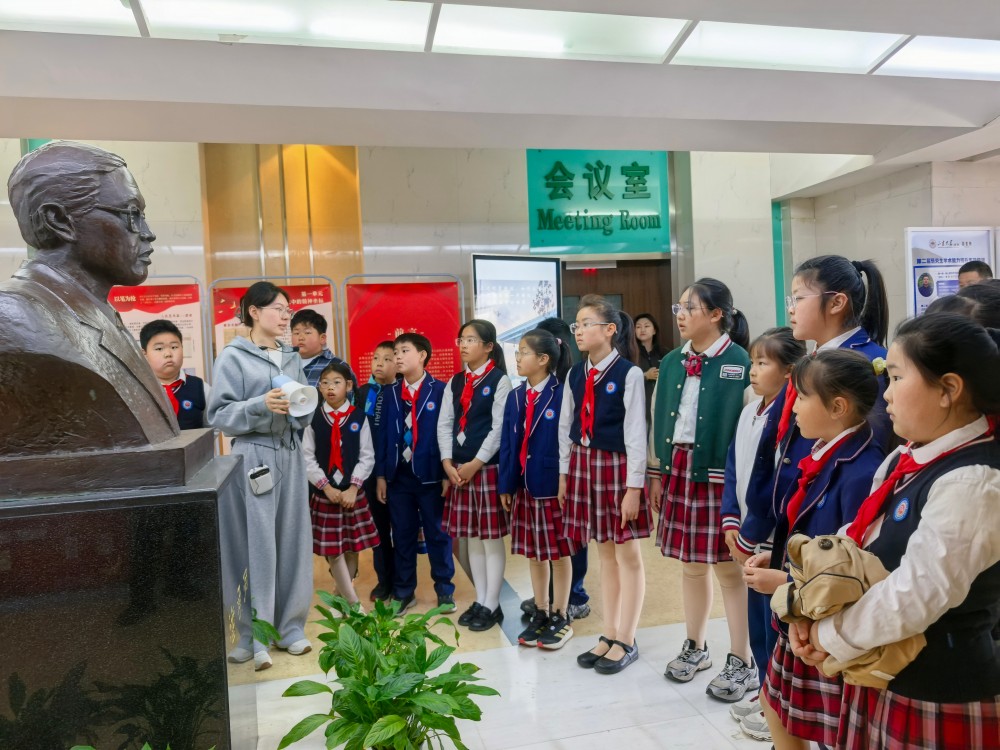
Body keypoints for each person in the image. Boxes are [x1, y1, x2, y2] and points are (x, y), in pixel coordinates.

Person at [792, 313, 1000, 750]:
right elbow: (858, 542)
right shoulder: (906, 458)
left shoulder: (974, 482)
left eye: (898, 377)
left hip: (940, 691)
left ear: (948, 389)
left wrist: (828, 636)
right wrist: (806, 610)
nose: (885, 393)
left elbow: (915, 594)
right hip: (883, 668)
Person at [736, 254, 891, 740]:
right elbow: (778, 448)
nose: (791, 308)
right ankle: (774, 703)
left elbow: (863, 466)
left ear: (836, 302)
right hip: (790, 530)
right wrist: (758, 527)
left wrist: (795, 573)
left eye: (799, 297)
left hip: (826, 547)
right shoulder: (812, 364)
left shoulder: (869, 364)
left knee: (825, 697)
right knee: (773, 644)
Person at [1, 140, 178, 454]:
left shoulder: (98, 312)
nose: (147, 232)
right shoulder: (17, 318)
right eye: (131, 214)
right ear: (59, 220)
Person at [749, 351, 884, 749]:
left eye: (802, 397)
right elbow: (804, 532)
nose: (792, 408)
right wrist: (778, 557)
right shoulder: (824, 451)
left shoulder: (861, 470)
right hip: (801, 614)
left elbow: (851, 566)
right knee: (775, 708)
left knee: (831, 732)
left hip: (825, 623)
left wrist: (785, 581)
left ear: (838, 407)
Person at [649, 279, 755, 697]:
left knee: (730, 569)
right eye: (678, 307)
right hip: (679, 469)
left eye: (689, 307)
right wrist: (656, 472)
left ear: (715, 314)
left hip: (721, 476)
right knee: (690, 565)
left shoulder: (741, 361)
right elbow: (659, 416)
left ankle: (742, 659)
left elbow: (751, 429)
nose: (680, 314)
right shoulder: (672, 361)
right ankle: (695, 645)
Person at [207, 281, 313, 671]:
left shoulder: (291, 356)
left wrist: (304, 407)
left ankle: (291, 628)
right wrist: (259, 405)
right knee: (256, 546)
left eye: (288, 310)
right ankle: (253, 635)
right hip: (254, 455)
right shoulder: (232, 357)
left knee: (294, 540)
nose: (286, 317)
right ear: (254, 311)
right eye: (278, 309)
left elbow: (304, 408)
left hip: (291, 453)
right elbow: (219, 416)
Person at [562, 294, 651, 675]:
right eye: (576, 325)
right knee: (604, 553)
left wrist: (634, 488)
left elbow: (636, 434)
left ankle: (627, 638)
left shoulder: (629, 373)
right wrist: (564, 474)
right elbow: (566, 426)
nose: (579, 331)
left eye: (586, 324)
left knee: (627, 555)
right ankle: (610, 632)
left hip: (617, 467)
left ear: (610, 329)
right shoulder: (575, 373)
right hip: (584, 464)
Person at [721, 328, 806, 717]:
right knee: (756, 623)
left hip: (770, 538)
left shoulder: (791, 419)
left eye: (762, 363)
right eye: (752, 362)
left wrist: (750, 533)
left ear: (789, 372)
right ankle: (763, 692)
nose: (752, 371)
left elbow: (776, 484)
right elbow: (733, 467)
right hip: (746, 532)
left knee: (774, 624)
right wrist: (730, 521)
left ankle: (776, 703)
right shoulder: (748, 411)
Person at [499, 328, 577, 649]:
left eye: (523, 353)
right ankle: (541, 611)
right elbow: (508, 443)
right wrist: (506, 484)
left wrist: (566, 480)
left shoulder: (561, 393)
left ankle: (561, 613)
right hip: (524, 486)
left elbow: (568, 443)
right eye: (517, 352)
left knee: (558, 553)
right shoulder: (517, 396)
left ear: (543, 359)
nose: (517, 358)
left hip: (551, 485)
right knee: (535, 553)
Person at [439, 320, 512, 632]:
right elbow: (445, 423)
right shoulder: (455, 381)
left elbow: (498, 429)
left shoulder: (499, 380)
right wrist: (446, 461)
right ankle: (481, 599)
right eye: (461, 339)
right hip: (458, 470)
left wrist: (476, 463)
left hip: (486, 469)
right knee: (471, 538)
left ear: (488, 346)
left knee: (490, 539)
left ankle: (492, 603)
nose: (464, 345)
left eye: (471, 339)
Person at [374, 333, 456, 614]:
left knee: (438, 534)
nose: (397, 356)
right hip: (399, 477)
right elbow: (383, 437)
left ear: (422, 355)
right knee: (403, 535)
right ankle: (403, 591)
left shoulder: (441, 390)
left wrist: (446, 472)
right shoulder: (389, 393)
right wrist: (382, 476)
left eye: (404, 351)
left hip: (431, 475)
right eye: (395, 352)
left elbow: (447, 433)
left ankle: (444, 589)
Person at [520, 316, 592, 622]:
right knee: (549, 540)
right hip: (544, 475)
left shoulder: (571, 381)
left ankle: (575, 595)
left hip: (569, 469)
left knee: (571, 537)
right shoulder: (536, 386)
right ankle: (547, 596)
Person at [302, 361, 379, 608]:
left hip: (352, 494)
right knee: (333, 552)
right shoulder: (313, 418)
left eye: (336, 383)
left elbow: (367, 455)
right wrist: (326, 486)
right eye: (325, 383)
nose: (330, 388)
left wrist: (354, 488)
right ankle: (354, 605)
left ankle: (339, 599)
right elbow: (307, 457)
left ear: (348, 386)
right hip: (326, 494)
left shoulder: (358, 416)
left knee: (353, 548)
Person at [354, 341, 400, 601]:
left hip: (397, 470)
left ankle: (403, 582)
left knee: (402, 529)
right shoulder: (363, 393)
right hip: (370, 472)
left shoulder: (402, 391)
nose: (379, 363)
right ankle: (384, 581)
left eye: (387, 358)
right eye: (375, 358)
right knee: (378, 529)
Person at [140, 319, 209, 430]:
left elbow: (212, 427)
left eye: (174, 347)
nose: (168, 354)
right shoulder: (137, 388)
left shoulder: (200, 387)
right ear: (145, 354)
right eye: (159, 349)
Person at [290, 308, 357, 388]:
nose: (300, 338)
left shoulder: (338, 365)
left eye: (307, 333)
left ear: (322, 338)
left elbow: (351, 395)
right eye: (296, 333)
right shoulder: (285, 363)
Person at [634, 312, 665, 427]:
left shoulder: (665, 353)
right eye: (638, 327)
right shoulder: (630, 354)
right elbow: (623, 380)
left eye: (646, 326)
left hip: (661, 406)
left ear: (654, 330)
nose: (642, 329)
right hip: (639, 407)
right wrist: (645, 376)